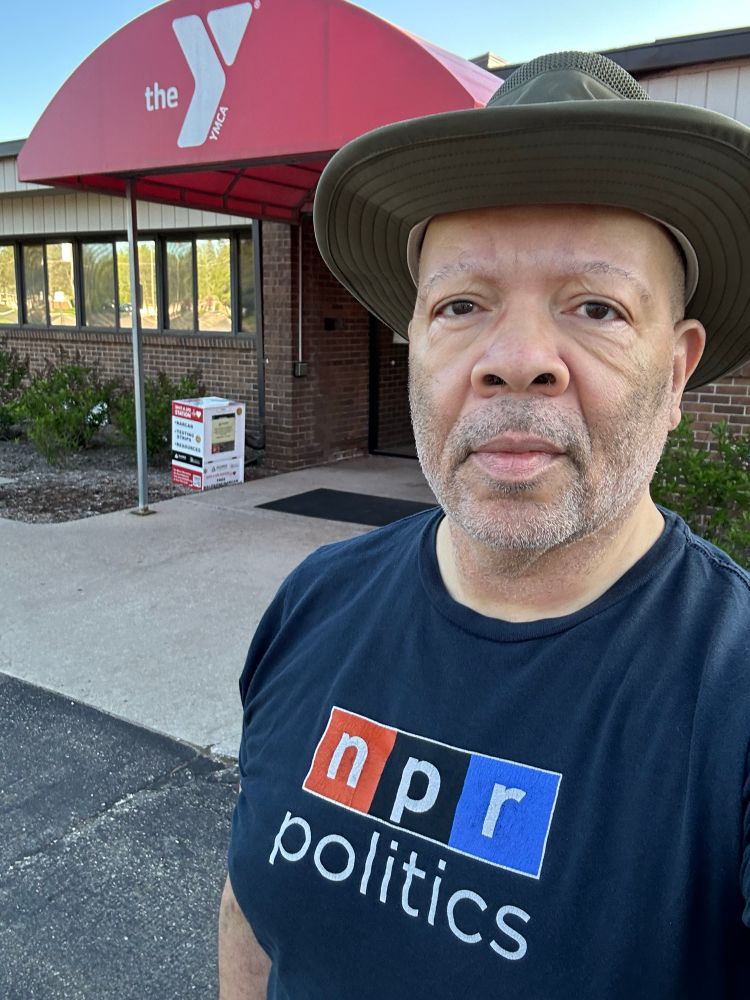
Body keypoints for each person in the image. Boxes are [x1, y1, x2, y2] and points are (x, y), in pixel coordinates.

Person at [218, 51, 750, 998]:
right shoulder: (312, 604)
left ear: (676, 372)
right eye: (462, 305)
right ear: (416, 344)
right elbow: (252, 912)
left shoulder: (732, 698)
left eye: (596, 306)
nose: (515, 361)